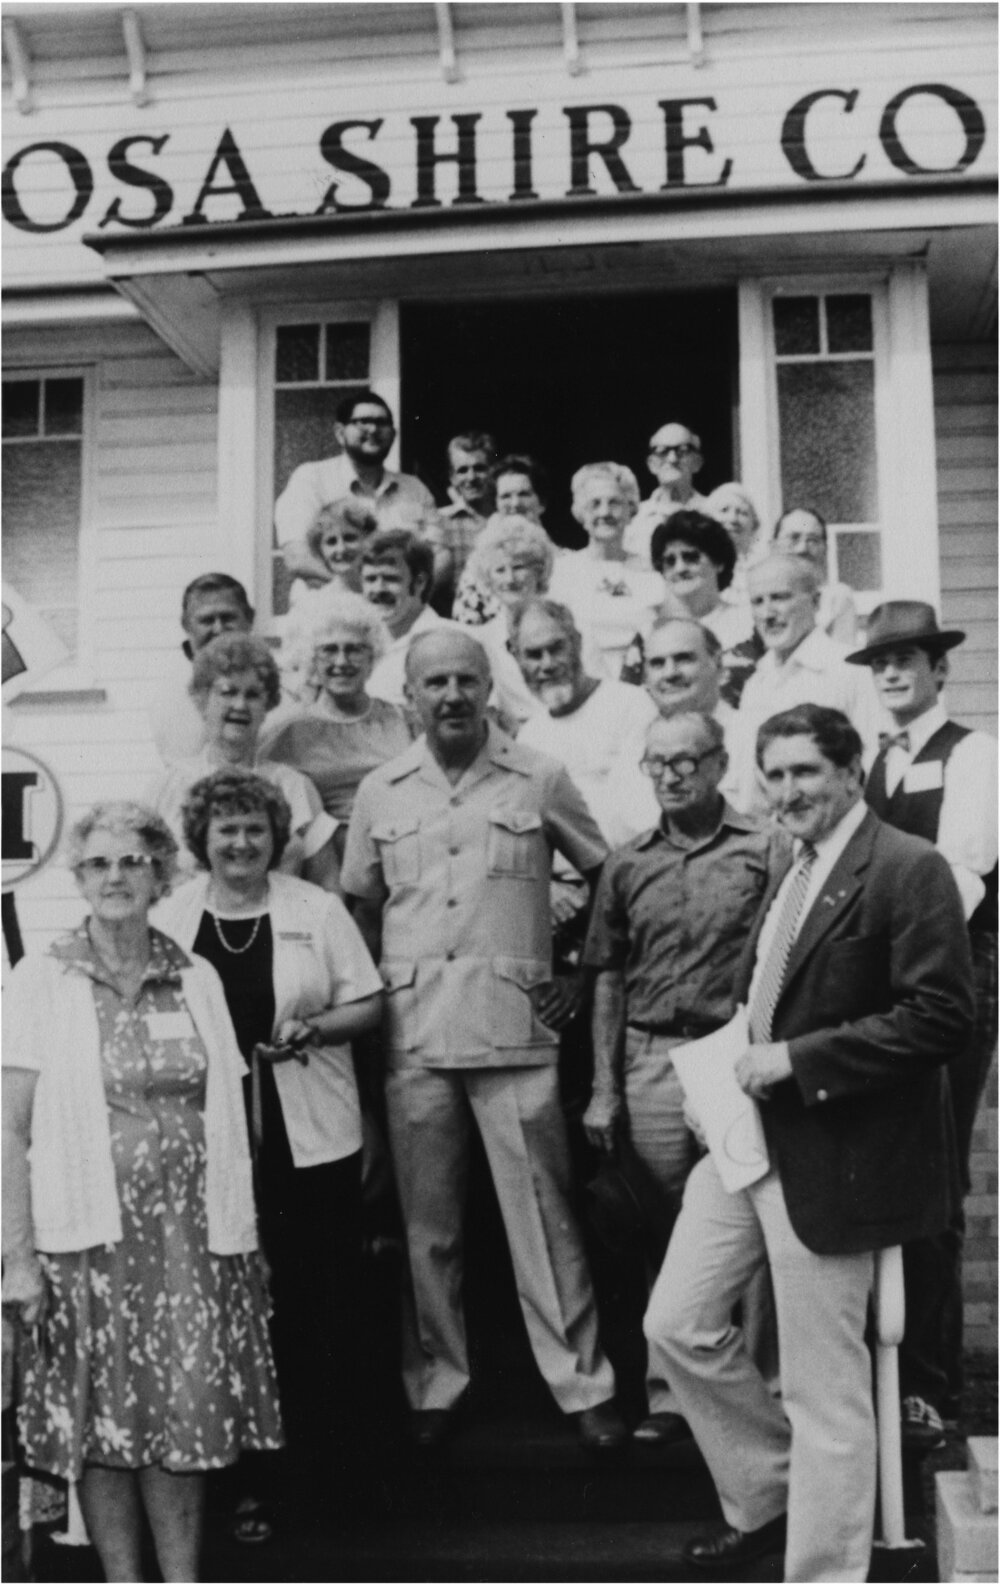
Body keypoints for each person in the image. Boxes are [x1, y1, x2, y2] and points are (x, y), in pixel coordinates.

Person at [646, 704, 974, 1582]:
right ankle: (775, 1493)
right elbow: (776, 992)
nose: (788, 790)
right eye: (775, 773)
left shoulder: (908, 868)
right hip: (750, 1143)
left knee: (825, 1389)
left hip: (843, 1157)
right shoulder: (794, 866)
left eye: (806, 772)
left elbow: (945, 1015)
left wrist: (798, 1060)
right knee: (675, 1323)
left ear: (851, 768)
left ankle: (826, 1569)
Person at [341, 629, 626, 1453]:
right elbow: (360, 907)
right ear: (412, 698)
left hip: (515, 1027)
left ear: (488, 689)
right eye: (436, 683)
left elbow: (605, 871)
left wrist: (579, 970)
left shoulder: (538, 775)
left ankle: (582, 1384)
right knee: (428, 1225)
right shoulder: (381, 791)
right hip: (415, 1031)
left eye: (468, 679)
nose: (454, 695)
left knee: (545, 1217)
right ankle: (438, 1380)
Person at [3, 802, 282, 1583]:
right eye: (98, 863)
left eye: (133, 861)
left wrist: (247, 1238)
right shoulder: (41, 979)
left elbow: (234, 1116)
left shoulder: (197, 976)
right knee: (103, 1422)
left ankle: (182, 1579)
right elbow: (7, 1130)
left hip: (194, 1245)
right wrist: (15, 1259)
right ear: (80, 878)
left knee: (181, 1415)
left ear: (162, 872)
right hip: (84, 1244)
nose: (116, 876)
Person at [156, 771, 383, 1515]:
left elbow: (368, 1002)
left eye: (255, 828)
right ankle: (244, 1477)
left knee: (319, 1300)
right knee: (231, 1302)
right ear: (203, 840)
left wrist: (315, 1028)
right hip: (212, 1140)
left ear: (276, 836)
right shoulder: (173, 916)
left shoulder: (314, 909)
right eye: (227, 829)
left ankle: (324, 1475)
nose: (243, 842)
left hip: (310, 1137)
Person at [583, 711, 786, 1444]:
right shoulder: (628, 861)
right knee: (660, 1228)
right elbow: (606, 976)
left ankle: (760, 1392)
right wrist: (606, 1088)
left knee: (750, 1222)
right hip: (651, 1059)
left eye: (686, 761)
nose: (671, 775)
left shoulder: (767, 850)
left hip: (732, 1056)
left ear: (718, 762)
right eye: (656, 763)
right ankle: (671, 1399)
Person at [846, 601, 998, 1445]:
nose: (893, 674)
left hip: (947, 981)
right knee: (875, 1167)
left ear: (940, 669)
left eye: (907, 658)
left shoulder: (973, 755)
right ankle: (877, 1372)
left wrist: (889, 950)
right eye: (880, 663)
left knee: (934, 1176)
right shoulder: (867, 762)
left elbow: (966, 870)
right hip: (871, 988)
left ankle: (929, 1386)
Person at [146, 633, 339, 890]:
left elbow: (329, 882)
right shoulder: (169, 786)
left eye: (253, 695)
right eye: (228, 692)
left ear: (267, 705)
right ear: (202, 700)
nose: (240, 704)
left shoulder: (292, 787)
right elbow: (145, 878)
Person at [259, 589, 412, 854]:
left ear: (372, 655)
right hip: (325, 860)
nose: (342, 662)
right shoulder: (288, 731)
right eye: (329, 650)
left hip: (398, 848)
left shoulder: (402, 719)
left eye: (354, 649)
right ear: (311, 658)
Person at [730, 554, 884, 813]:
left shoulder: (849, 669)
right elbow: (748, 783)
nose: (767, 614)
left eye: (780, 597)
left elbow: (874, 763)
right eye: (758, 601)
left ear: (815, 602)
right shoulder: (757, 682)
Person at [513, 598, 658, 848]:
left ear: (577, 642)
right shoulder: (528, 738)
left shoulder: (630, 704)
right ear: (518, 659)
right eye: (534, 655)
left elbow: (642, 814)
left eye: (556, 648)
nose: (547, 664)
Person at [275, 391, 438, 585]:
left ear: (393, 435)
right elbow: (297, 558)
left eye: (382, 423)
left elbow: (440, 556)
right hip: (326, 606)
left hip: (401, 607)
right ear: (340, 433)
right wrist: (361, 590)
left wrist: (406, 597)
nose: (373, 429)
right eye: (363, 421)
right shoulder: (311, 480)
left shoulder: (415, 489)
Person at [621, 511, 757, 706]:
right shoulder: (648, 634)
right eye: (670, 561)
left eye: (690, 557)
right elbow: (627, 703)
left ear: (718, 562)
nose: (679, 568)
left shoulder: (750, 622)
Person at [546, 463, 663, 678]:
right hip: (582, 682)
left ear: (630, 509)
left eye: (615, 503)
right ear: (581, 512)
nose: (605, 512)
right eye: (595, 504)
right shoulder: (562, 571)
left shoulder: (653, 572)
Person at [148, 573, 254, 764]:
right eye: (206, 620)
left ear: (250, 619)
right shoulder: (171, 699)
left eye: (228, 617)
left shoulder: (277, 689)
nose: (218, 629)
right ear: (186, 626)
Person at [461, 513, 555, 726]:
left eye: (519, 567)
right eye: (500, 570)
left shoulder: (567, 629)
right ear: (488, 578)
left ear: (539, 571)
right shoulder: (480, 641)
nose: (510, 579)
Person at [361, 529, 462, 709]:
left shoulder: (452, 643)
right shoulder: (357, 643)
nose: (378, 589)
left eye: (391, 579)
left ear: (419, 582)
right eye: (370, 579)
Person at [453, 454, 549, 625]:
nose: (515, 503)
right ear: (495, 504)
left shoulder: (565, 561)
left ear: (541, 502)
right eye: (505, 496)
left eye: (524, 494)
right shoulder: (479, 564)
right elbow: (465, 625)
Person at [424, 431, 498, 612]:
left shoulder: (508, 521)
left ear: (493, 471)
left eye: (479, 468)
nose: (471, 478)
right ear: (452, 477)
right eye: (462, 470)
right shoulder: (439, 523)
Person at [623, 422, 710, 567]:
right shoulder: (632, 518)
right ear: (651, 464)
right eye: (662, 451)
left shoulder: (713, 513)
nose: (672, 459)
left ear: (697, 462)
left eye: (683, 450)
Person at [773, 506, 858, 645]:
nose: (802, 548)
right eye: (793, 538)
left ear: (824, 549)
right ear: (774, 546)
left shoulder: (836, 598)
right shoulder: (759, 599)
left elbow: (841, 659)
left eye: (812, 540)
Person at [285, 498, 378, 607]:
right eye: (331, 542)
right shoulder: (319, 603)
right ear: (320, 551)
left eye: (350, 538)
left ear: (369, 540)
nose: (341, 549)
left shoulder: (385, 592)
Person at [705, 481, 763, 608]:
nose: (733, 519)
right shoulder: (700, 563)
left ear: (754, 524)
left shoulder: (764, 564)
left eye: (742, 513)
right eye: (724, 510)